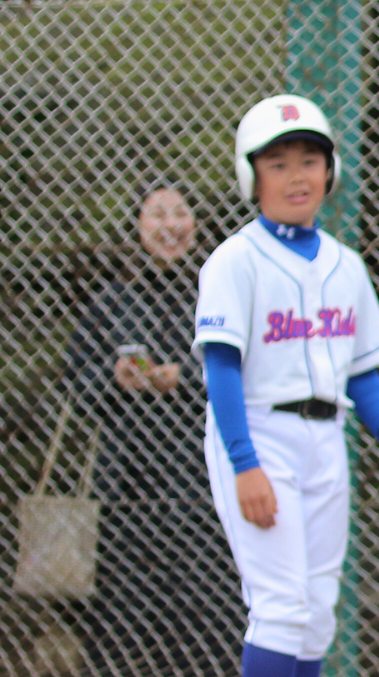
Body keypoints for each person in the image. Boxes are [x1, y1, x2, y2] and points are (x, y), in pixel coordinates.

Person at [193, 94, 379, 677]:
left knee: (317, 613)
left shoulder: (345, 264)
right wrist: (245, 464)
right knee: (282, 609)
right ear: (251, 176)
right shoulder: (234, 260)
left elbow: (359, 372)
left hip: (326, 439)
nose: (297, 176)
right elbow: (221, 369)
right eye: (277, 163)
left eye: (309, 161)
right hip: (260, 434)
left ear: (330, 170)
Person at [66, 183, 240, 675]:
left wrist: (184, 379)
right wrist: (114, 378)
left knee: (211, 601)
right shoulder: (110, 302)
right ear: (137, 227)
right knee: (122, 607)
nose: (169, 226)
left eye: (179, 213)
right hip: (126, 481)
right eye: (157, 214)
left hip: (202, 477)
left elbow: (248, 373)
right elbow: (75, 387)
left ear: (197, 224)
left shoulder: (216, 295)